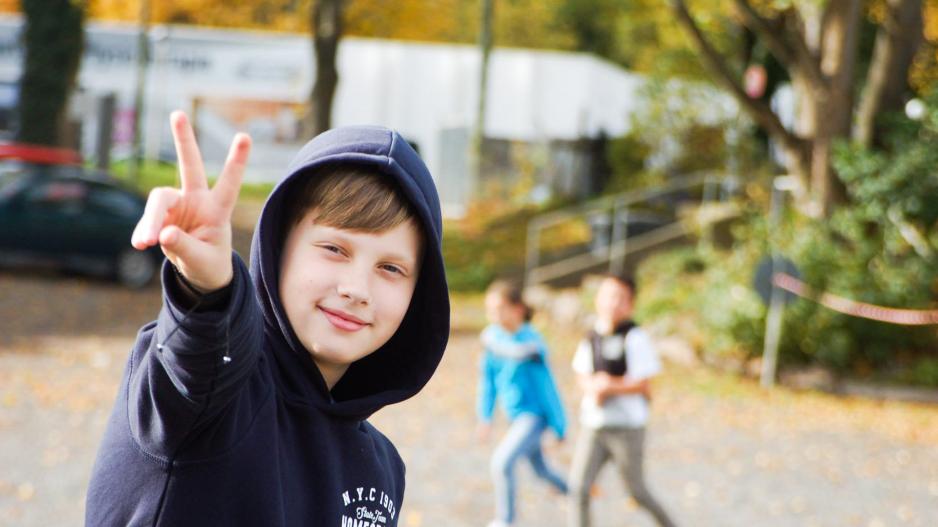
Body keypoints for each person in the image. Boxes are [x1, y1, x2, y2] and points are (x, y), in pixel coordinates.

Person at [84, 112, 450, 526]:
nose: (357, 289)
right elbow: (197, 359)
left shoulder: (382, 469)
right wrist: (205, 293)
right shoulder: (216, 400)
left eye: (391, 269)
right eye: (334, 249)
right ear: (279, 248)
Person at [568, 274, 676, 527]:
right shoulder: (591, 336)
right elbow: (581, 374)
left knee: (636, 492)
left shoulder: (635, 337)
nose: (612, 303)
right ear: (597, 299)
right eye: (608, 296)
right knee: (578, 487)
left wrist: (610, 385)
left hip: (626, 428)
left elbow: (643, 383)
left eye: (620, 298)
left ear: (630, 304)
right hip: (595, 425)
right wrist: (593, 386)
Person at [476, 279, 568, 527]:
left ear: (517, 309)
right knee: (541, 471)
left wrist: (560, 425)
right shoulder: (493, 342)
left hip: (534, 417)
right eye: (490, 310)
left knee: (502, 462)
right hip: (514, 418)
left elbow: (548, 387)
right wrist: (485, 417)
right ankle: (574, 492)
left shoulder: (532, 344)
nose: (493, 315)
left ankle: (505, 520)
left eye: (499, 309)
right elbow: (489, 384)